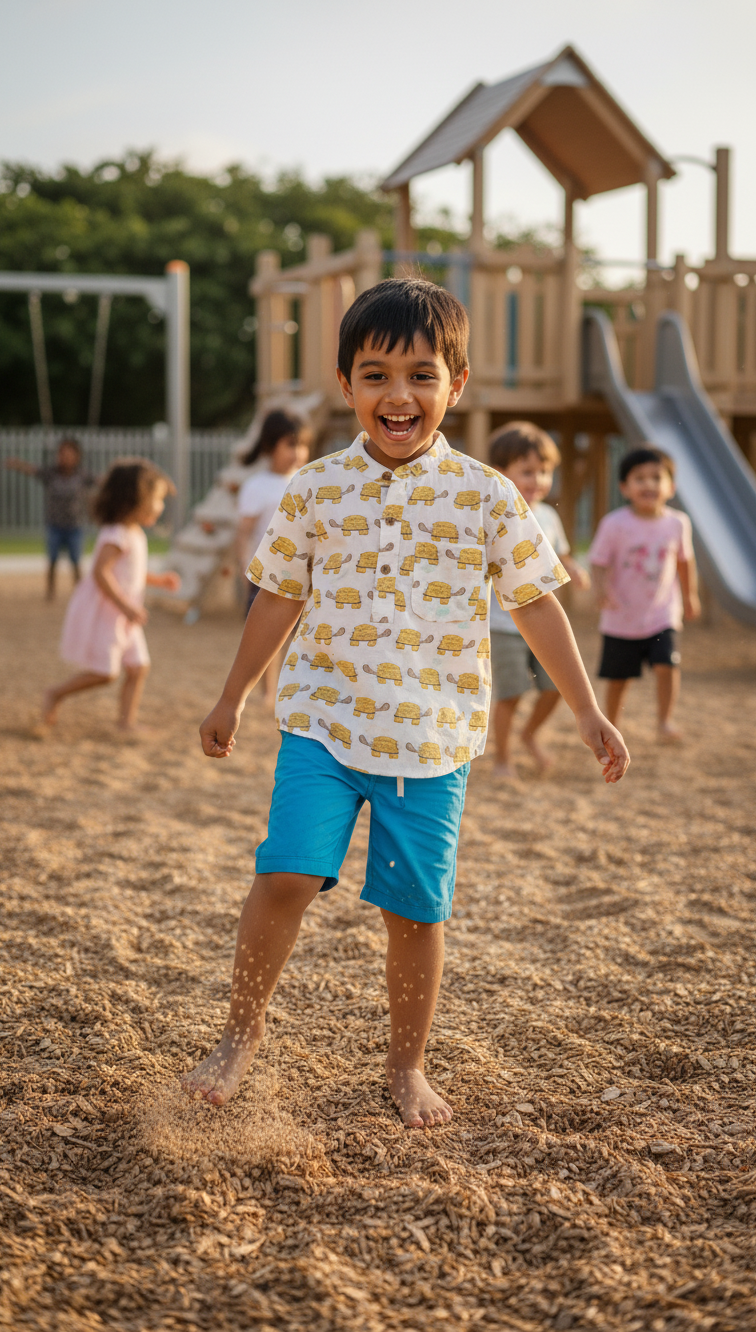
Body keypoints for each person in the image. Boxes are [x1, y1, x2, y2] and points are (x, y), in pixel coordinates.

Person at [182, 277, 630, 1128]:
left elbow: (536, 604)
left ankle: (407, 1064)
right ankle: (240, 1035)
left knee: (414, 912)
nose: (399, 394)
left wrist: (583, 709)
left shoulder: (489, 495)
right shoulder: (313, 488)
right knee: (283, 875)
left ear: (455, 387)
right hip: (321, 723)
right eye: (377, 374)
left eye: (422, 375)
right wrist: (234, 694)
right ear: (346, 384)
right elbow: (276, 596)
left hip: (431, 743)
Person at [42, 459, 180, 732]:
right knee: (105, 673)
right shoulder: (116, 534)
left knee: (138, 668)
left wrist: (159, 580)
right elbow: (100, 573)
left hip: (126, 616)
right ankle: (55, 693)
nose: (160, 507)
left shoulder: (135, 533)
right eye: (157, 500)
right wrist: (126, 607)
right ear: (135, 499)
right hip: (110, 614)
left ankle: (125, 722)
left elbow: (130, 572)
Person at [488, 422, 591, 778]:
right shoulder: (494, 513)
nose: (538, 480)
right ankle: (502, 758)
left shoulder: (547, 514)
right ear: (500, 474)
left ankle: (529, 735)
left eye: (544, 471)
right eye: (527, 471)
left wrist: (574, 569)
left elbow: (560, 553)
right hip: (503, 624)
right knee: (511, 693)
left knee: (555, 688)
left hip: (544, 623)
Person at [589, 445, 700, 740]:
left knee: (667, 666)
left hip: (662, 613)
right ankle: (611, 726)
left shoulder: (678, 523)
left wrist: (690, 596)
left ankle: (665, 721)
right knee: (618, 679)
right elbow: (598, 563)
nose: (649, 484)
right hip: (620, 617)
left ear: (671, 487)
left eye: (656, 477)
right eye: (639, 478)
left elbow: (685, 562)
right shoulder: (614, 524)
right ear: (624, 487)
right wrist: (601, 591)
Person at [234, 410, 311, 707]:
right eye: (291, 445)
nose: (298, 453)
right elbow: (244, 532)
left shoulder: (306, 482)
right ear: (269, 446)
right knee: (268, 637)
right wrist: (245, 565)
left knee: (301, 635)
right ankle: (268, 692)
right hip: (266, 573)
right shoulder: (256, 486)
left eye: (303, 445)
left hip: (302, 572)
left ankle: (295, 689)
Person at [5, 439, 97, 600]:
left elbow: (100, 481)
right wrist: (16, 464)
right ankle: (50, 592)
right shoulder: (51, 473)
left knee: (75, 561)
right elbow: (32, 470)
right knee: (52, 560)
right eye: (62, 454)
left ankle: (80, 593)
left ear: (77, 456)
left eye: (69, 454)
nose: (65, 457)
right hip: (55, 524)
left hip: (74, 524)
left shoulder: (82, 474)